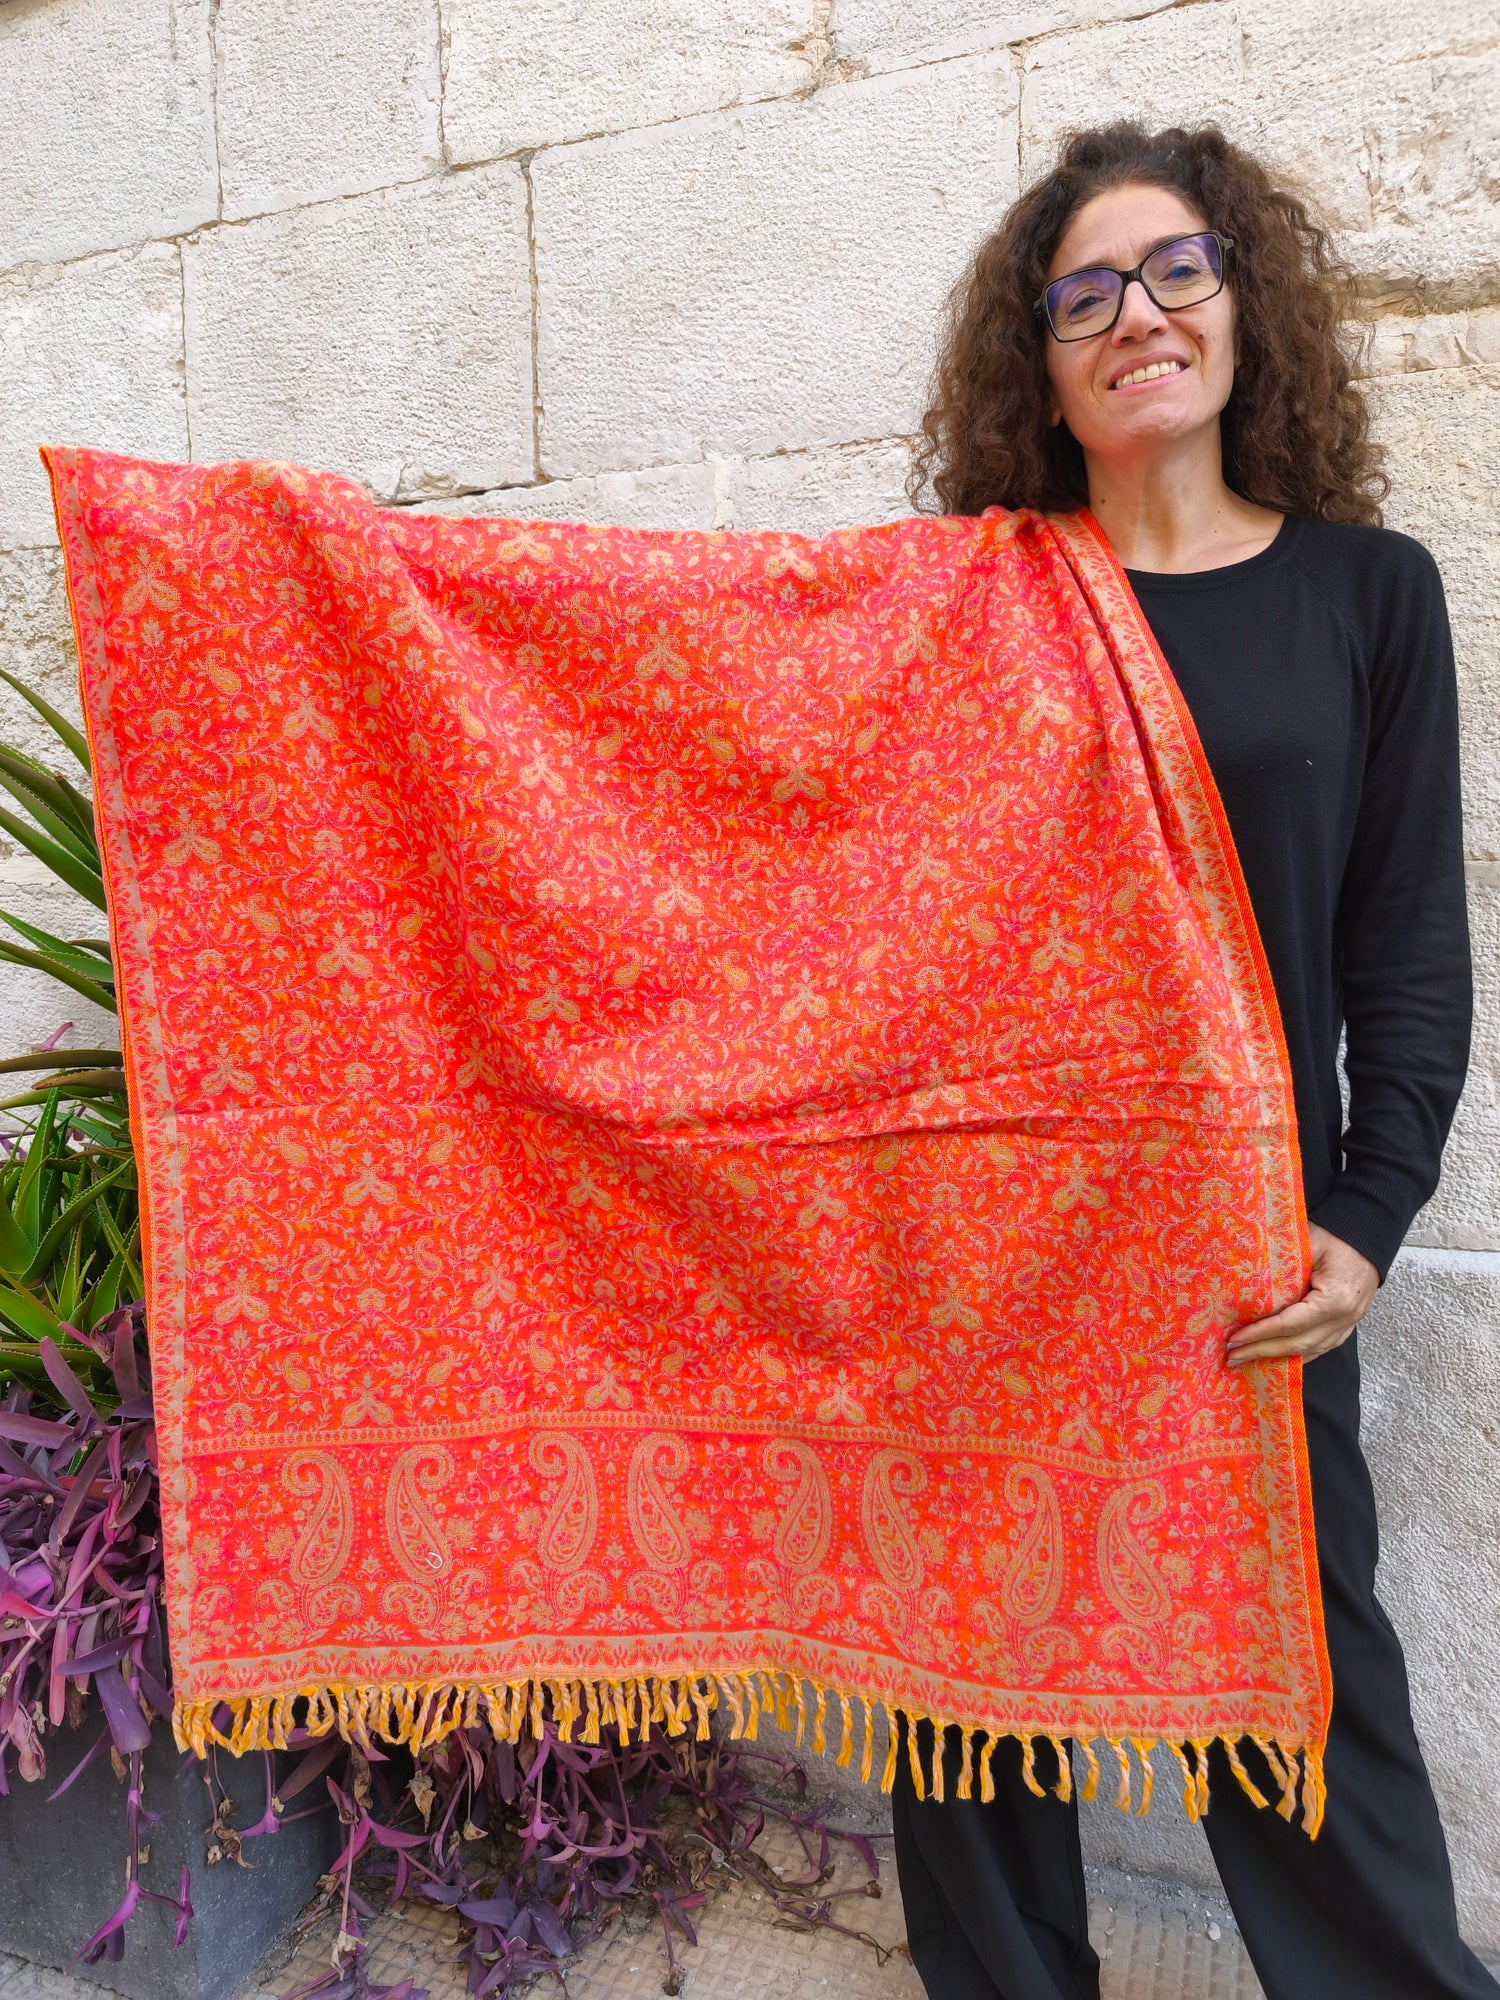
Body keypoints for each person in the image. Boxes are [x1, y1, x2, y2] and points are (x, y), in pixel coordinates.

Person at [893, 122, 1493, 2000]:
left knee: (1300, 1678)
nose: (1136, 317)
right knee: (969, 1677)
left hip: (1246, 1256)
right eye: (1083, 295)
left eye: (1176, 273)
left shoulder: (1368, 593)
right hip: (985, 1244)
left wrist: (1364, 1220)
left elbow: (1408, 948)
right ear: (1038, 359)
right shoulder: (966, 599)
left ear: (1244, 308)